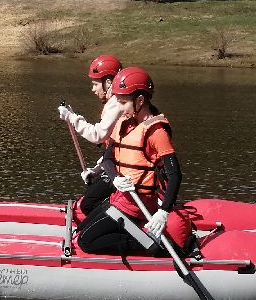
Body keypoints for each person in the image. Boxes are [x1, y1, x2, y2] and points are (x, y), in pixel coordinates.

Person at [75, 67, 190, 257]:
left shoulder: (156, 132)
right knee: (81, 230)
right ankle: (128, 230)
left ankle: (151, 246)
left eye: (123, 102)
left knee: (85, 241)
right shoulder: (125, 123)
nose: (120, 108)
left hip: (138, 205)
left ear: (140, 100)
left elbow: (175, 174)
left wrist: (164, 211)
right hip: (120, 199)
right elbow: (109, 158)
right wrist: (114, 178)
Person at [58, 54, 128, 217]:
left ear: (108, 83)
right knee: (90, 200)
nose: (93, 89)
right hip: (116, 166)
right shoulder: (116, 102)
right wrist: (97, 170)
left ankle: (112, 228)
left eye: (95, 84)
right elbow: (112, 145)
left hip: (123, 172)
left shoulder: (117, 103)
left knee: (88, 204)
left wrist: (71, 118)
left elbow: (98, 135)